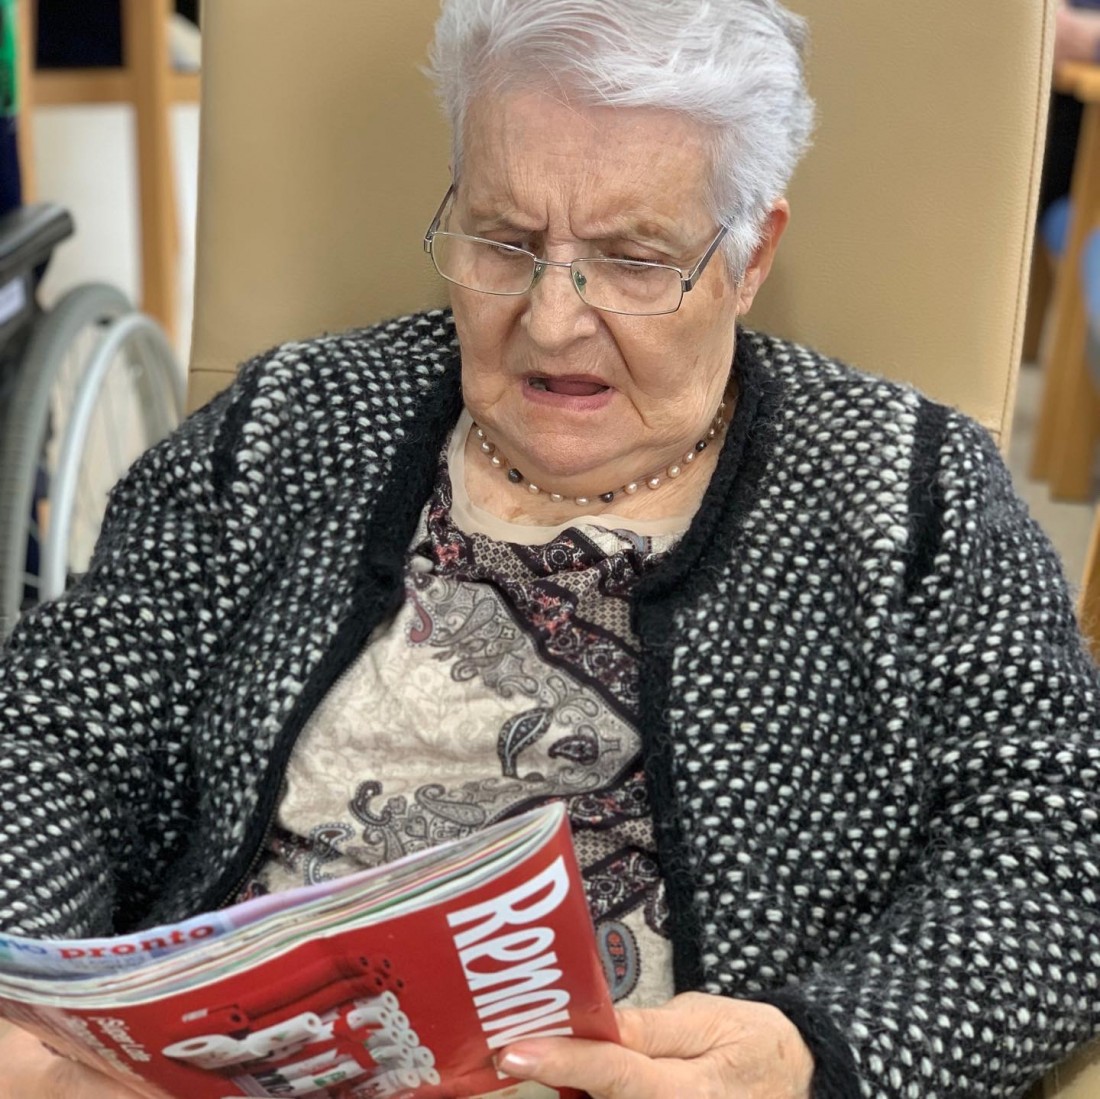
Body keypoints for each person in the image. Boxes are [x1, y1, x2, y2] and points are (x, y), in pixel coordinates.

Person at [1, 1, 1098, 1096]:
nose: (552, 318)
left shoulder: (899, 490)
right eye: (504, 242)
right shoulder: (291, 424)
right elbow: (51, 733)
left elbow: (1058, 851)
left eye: (632, 259)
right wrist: (32, 1038)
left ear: (750, 254)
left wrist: (814, 1056)